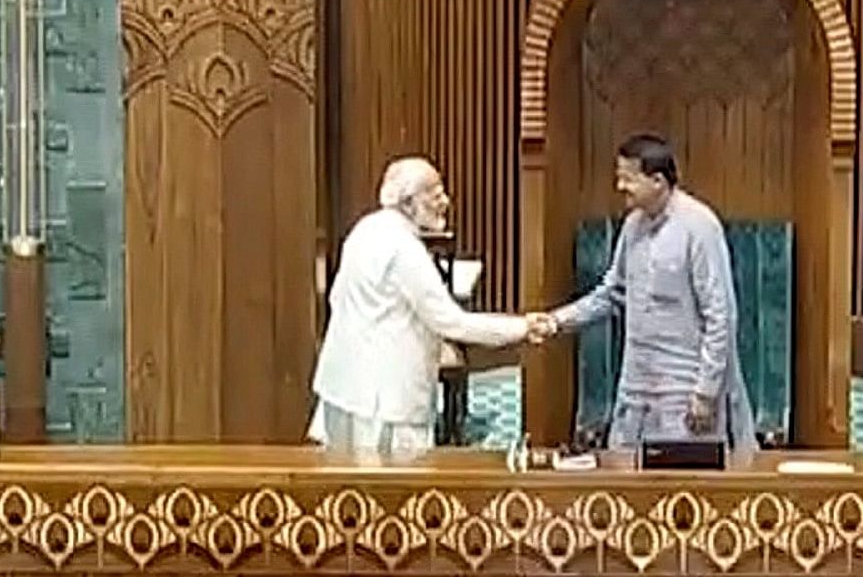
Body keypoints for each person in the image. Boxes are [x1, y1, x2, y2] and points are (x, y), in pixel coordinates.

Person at [531, 134, 756, 462]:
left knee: (681, 496)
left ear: (658, 181)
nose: (620, 186)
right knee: (625, 489)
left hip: (685, 388)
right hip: (636, 384)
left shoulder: (700, 226)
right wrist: (556, 321)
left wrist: (706, 392)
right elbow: (611, 293)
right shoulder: (633, 225)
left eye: (627, 178)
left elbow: (720, 316)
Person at [310, 157, 540, 462]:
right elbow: (451, 323)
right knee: (396, 500)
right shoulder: (405, 251)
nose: (444, 201)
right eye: (434, 194)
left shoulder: (365, 229)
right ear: (408, 202)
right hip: (387, 399)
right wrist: (523, 327)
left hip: (344, 386)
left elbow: (337, 298)